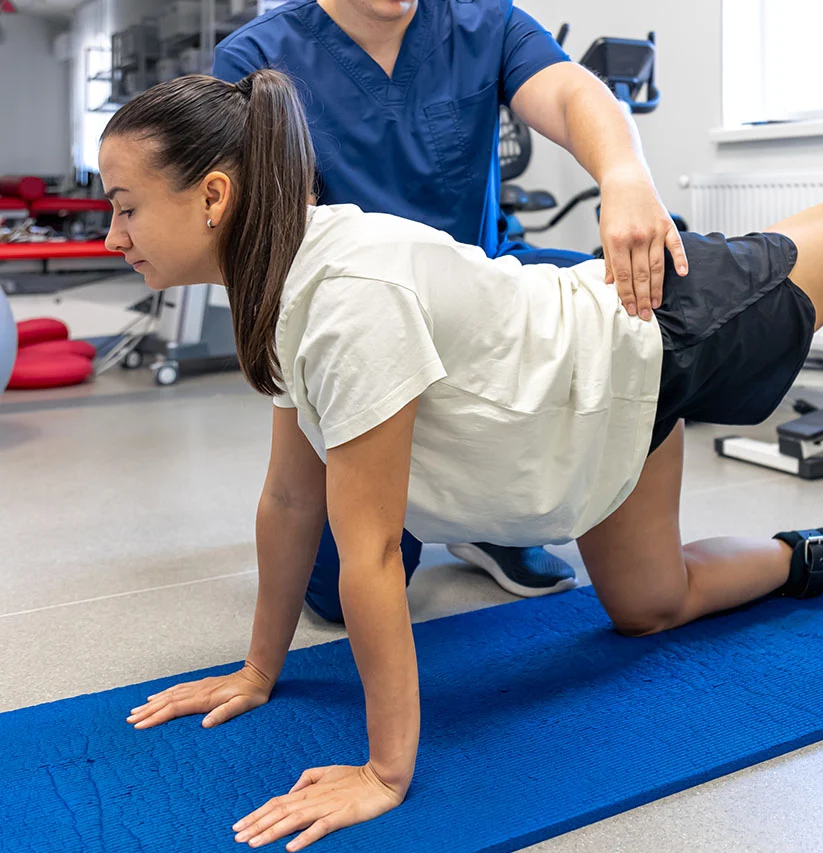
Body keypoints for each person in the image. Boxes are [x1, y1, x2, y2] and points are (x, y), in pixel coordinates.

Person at [106, 63, 823, 851]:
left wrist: (386, 772)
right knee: (646, 605)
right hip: (591, 410)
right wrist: (257, 669)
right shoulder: (284, 282)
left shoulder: (345, 297)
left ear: (214, 197)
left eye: (123, 205)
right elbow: (289, 499)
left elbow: (366, 552)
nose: (113, 234)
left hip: (661, 326)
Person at [212, 0, 691, 614]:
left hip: (484, 297)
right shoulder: (256, 57)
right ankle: (455, 504)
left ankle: (494, 521)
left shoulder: (482, 23)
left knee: (623, 302)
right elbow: (246, 228)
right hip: (363, 332)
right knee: (337, 597)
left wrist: (624, 175)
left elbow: (572, 91)